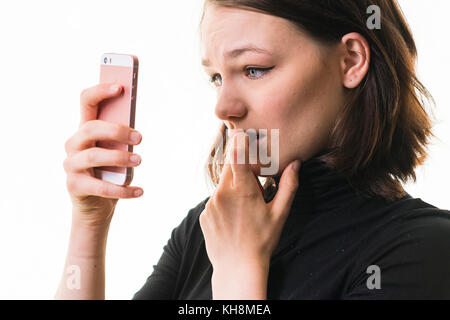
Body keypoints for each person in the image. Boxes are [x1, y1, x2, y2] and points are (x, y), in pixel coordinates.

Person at [55, 0, 450, 300]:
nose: (224, 108)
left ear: (351, 60)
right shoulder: (208, 228)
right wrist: (89, 224)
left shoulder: (422, 250)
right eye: (216, 77)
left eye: (253, 69)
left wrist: (240, 273)